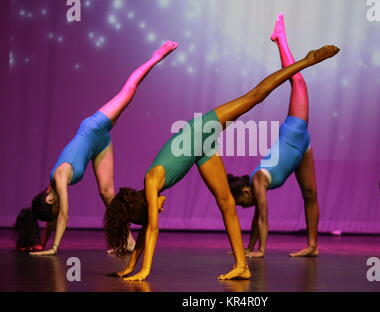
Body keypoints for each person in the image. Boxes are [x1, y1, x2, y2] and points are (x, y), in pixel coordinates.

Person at [104, 41, 340, 281]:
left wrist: (144, 270)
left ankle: (307, 60)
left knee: (254, 97)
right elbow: (147, 229)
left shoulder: (152, 181)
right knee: (227, 202)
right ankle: (242, 266)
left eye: (150, 212)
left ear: (144, 205)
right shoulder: (149, 191)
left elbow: (152, 229)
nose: (159, 211)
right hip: (199, 150)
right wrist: (129, 267)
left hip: (199, 131)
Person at [14, 41, 179, 255]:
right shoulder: (52, 189)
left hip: (93, 127)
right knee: (107, 193)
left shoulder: (60, 175)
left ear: (49, 199)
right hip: (99, 146)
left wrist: (54, 248)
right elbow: (55, 218)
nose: (55, 214)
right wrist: (44, 243)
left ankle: (156, 56)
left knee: (129, 90)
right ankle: (127, 241)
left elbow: (64, 214)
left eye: (52, 210)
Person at [227, 13, 321, 258]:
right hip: (303, 147)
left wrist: (260, 251)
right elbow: (258, 217)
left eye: (241, 203)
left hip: (294, 131)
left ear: (245, 192)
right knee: (310, 195)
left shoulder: (258, 180)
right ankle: (313, 246)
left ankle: (280, 38)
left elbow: (263, 219)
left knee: (297, 81)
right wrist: (248, 248)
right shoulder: (255, 183)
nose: (245, 208)